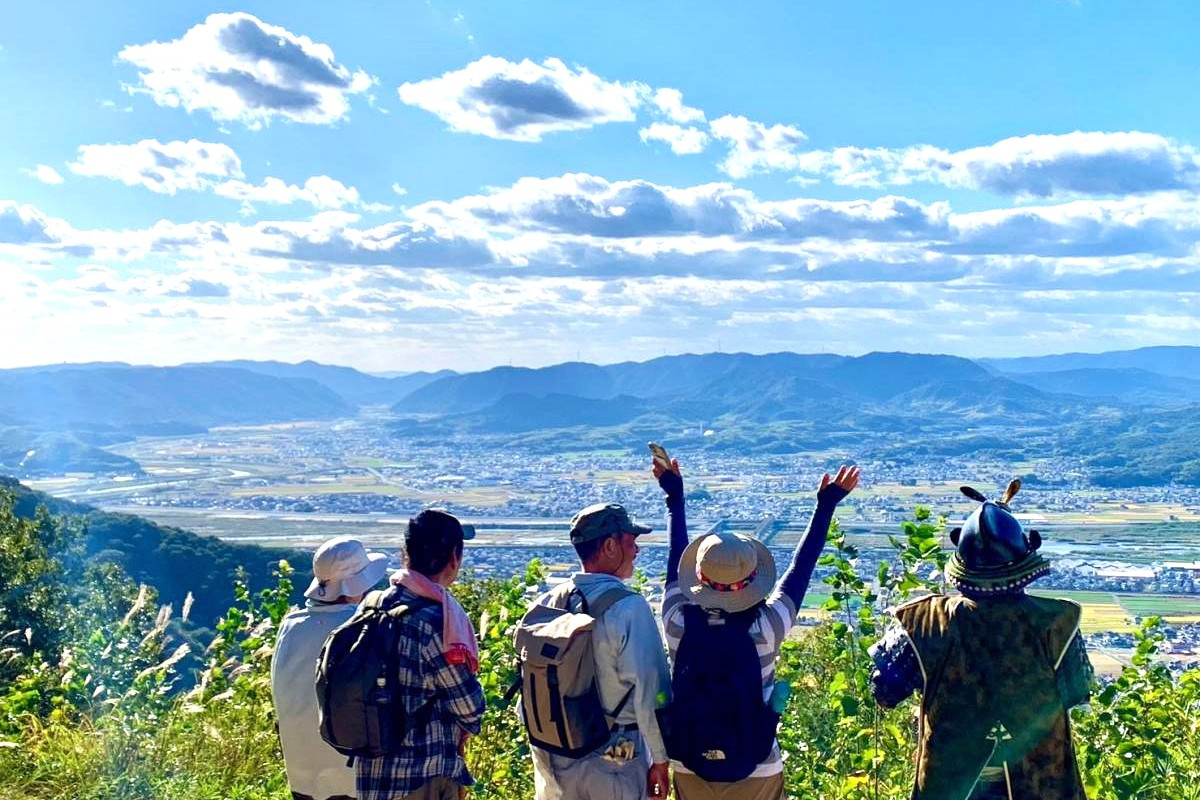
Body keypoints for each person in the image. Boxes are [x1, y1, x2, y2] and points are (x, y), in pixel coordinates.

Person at [868, 481, 1093, 800]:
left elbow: (884, 690)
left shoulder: (925, 621)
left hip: (952, 784)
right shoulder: (1058, 622)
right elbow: (1077, 693)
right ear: (1024, 560)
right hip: (1040, 783)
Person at [657, 458, 861, 800]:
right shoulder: (767, 627)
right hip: (756, 764)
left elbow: (674, 561)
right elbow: (801, 568)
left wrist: (674, 499)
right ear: (751, 580)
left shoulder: (676, 622)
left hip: (689, 762)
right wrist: (826, 506)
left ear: (697, 578)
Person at [527, 502, 672, 800]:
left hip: (557, 760)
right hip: (616, 759)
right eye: (631, 542)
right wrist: (660, 758)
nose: (636, 551)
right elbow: (651, 692)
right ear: (609, 545)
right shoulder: (628, 608)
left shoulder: (547, 603)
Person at [355, 509, 485, 800]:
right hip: (422, 775)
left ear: (406, 553)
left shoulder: (372, 605)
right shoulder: (436, 621)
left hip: (371, 773)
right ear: (454, 557)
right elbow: (470, 707)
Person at [273, 536, 391, 800]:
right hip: (352, 776)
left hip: (301, 773)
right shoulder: (362, 627)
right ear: (353, 586)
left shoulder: (290, 626)